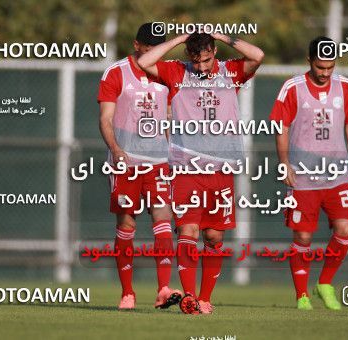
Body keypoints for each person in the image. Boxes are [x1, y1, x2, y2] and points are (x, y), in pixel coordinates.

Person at [138, 32, 264, 314]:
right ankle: (190, 298)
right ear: (189, 57)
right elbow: (145, 61)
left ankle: (206, 297)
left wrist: (221, 36)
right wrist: (178, 39)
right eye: (197, 61)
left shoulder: (230, 72)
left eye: (207, 60)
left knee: (214, 237)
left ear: (213, 53)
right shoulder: (176, 72)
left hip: (221, 168)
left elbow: (258, 56)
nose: (203, 67)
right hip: (187, 168)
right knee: (188, 230)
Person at [270, 36, 348, 310]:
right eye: (320, 66)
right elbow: (281, 127)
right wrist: (284, 163)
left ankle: (325, 282)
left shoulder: (345, 86)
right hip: (302, 176)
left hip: (338, 175)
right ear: (309, 61)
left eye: (330, 67)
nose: (325, 73)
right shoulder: (292, 87)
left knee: (345, 227)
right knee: (303, 237)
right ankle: (301, 294)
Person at [97, 23, 181, 310]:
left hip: (158, 162)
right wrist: (116, 150)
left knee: (163, 219)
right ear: (137, 45)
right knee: (126, 223)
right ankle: (128, 293)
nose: (152, 50)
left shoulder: (167, 73)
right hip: (126, 162)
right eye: (148, 45)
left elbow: (170, 117)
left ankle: (163, 288)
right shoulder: (116, 72)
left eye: (158, 45)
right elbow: (105, 118)